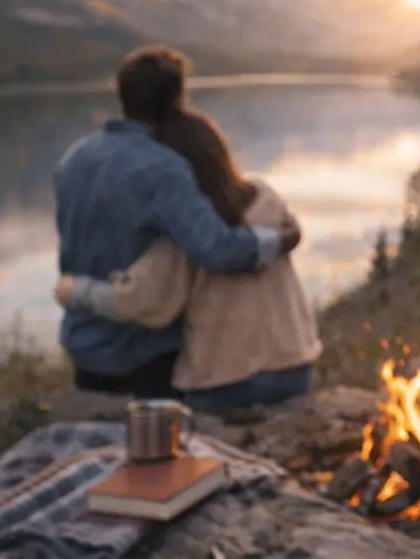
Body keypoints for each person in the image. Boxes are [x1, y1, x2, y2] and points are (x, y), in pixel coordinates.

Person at [54, 45, 295, 398]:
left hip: (85, 346)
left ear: (122, 96)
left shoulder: (74, 158)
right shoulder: (163, 169)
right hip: (144, 353)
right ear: (177, 100)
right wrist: (281, 239)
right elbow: (217, 248)